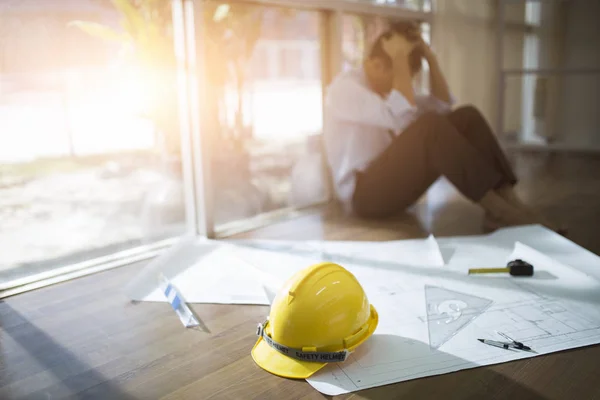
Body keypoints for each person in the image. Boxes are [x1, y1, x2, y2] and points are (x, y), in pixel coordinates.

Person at [323, 21, 562, 233]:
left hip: (392, 184)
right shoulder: (344, 89)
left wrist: (430, 57)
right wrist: (399, 60)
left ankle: (510, 202)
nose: (403, 82)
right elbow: (401, 116)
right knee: (430, 127)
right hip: (365, 196)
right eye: (399, 74)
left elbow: (441, 106)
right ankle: (501, 211)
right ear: (375, 65)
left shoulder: (386, 86)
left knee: (466, 117)